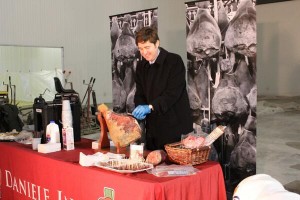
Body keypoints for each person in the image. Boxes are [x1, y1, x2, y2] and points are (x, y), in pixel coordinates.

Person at [132, 27, 193, 150]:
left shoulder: (174, 61)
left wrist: (149, 107)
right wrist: (139, 106)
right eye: (141, 49)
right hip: (153, 128)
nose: (144, 52)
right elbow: (140, 93)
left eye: (147, 47)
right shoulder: (141, 66)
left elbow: (172, 94)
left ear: (157, 43)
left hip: (175, 126)